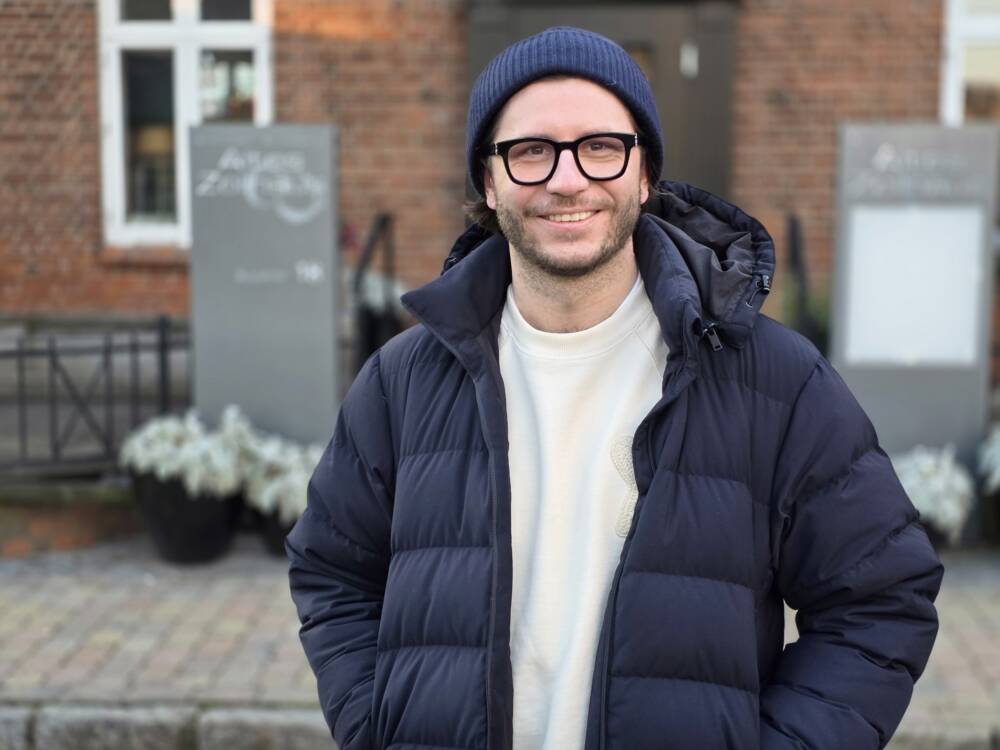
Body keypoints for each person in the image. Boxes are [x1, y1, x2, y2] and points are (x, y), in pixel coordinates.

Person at [286, 26, 944, 750]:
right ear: (488, 180)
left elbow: (880, 601)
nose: (568, 179)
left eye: (601, 147)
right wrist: (375, 726)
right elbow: (332, 572)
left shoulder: (774, 382)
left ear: (643, 175)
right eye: (531, 151)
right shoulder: (402, 382)